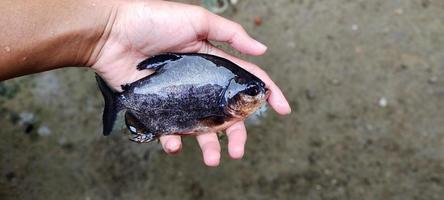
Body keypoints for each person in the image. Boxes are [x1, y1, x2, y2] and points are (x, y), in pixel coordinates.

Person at [0, 0, 291, 167]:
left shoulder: (225, 95)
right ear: (233, 97)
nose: (259, 94)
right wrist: (107, 30)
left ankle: (126, 107)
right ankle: (124, 107)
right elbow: (210, 120)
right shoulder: (222, 109)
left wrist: (108, 30)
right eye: (252, 92)